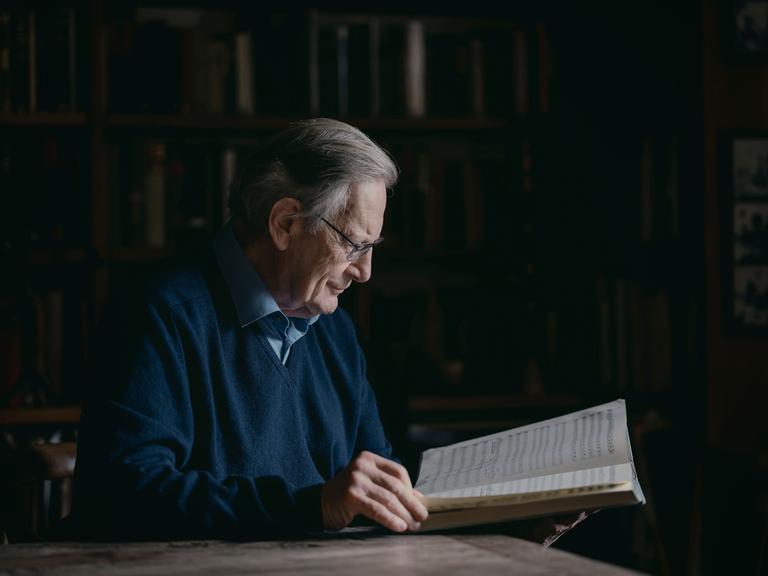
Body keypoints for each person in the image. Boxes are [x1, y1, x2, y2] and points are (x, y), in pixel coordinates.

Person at [72, 118, 428, 540]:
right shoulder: (162, 315)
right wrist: (312, 507)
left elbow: (373, 478)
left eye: (371, 248)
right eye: (353, 244)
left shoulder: (336, 334)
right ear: (285, 224)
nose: (365, 272)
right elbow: (124, 493)